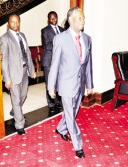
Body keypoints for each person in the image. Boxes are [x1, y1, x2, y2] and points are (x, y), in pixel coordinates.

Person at [48, 7, 94, 158]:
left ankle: (61, 128)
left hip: (80, 84)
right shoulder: (60, 39)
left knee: (73, 112)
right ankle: (78, 145)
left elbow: (88, 64)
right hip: (66, 84)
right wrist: (51, 86)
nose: (83, 21)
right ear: (70, 20)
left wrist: (89, 84)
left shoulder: (87, 39)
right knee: (70, 114)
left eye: (83, 18)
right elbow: (54, 64)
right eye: (79, 18)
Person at [0, 14, 36, 135]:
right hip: (14, 74)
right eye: (12, 22)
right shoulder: (5, 38)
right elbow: (4, 60)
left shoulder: (22, 36)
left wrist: (32, 69)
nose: (15, 24)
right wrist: (7, 78)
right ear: (8, 24)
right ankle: (19, 124)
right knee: (15, 99)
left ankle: (15, 111)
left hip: (25, 71)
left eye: (17, 22)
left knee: (23, 95)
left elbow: (28, 53)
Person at [41, 11, 65, 115]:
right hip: (49, 60)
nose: (53, 20)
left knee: (59, 82)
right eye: (51, 18)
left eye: (55, 18)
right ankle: (51, 104)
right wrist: (60, 47)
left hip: (61, 61)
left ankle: (58, 101)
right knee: (50, 82)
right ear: (48, 19)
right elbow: (47, 46)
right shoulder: (45, 31)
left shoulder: (62, 30)